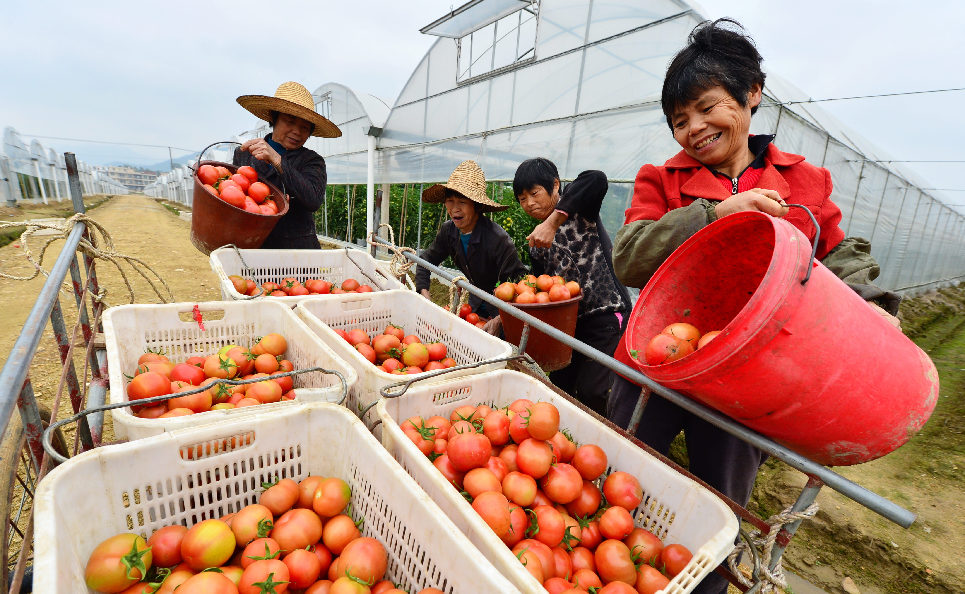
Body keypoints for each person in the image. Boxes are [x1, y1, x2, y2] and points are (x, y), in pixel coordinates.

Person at [607, 19, 900, 594]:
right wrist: (717, 214)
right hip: (657, 359)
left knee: (721, 497)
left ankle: (705, 581)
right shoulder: (661, 179)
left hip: (748, 373)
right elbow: (630, 257)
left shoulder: (804, 181)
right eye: (679, 121)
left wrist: (873, 305)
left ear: (752, 95)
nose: (693, 129)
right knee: (622, 467)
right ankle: (610, 560)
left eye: (706, 108)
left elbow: (835, 255)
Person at [511, 158, 632, 416]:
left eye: (534, 193)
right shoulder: (536, 242)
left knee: (594, 391)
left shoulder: (579, 209)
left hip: (606, 315)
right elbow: (543, 289)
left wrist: (552, 223)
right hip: (570, 323)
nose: (529, 203)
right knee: (560, 386)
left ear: (555, 186)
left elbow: (596, 177)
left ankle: (610, 436)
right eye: (522, 199)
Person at [234, 81, 342, 249]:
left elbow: (313, 199)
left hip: (298, 253)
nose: (297, 132)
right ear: (274, 118)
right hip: (254, 247)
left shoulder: (312, 161)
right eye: (289, 121)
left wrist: (278, 160)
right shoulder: (244, 153)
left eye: (305, 127)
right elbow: (234, 196)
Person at [415, 160, 528, 320]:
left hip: (500, 310)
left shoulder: (497, 239)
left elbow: (518, 284)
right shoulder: (449, 230)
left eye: (462, 202)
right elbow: (426, 260)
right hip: (473, 307)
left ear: (477, 206)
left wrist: (499, 320)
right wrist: (423, 291)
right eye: (450, 201)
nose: (455, 209)